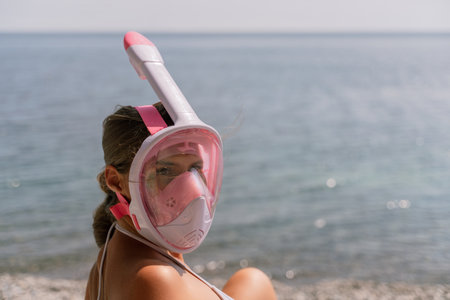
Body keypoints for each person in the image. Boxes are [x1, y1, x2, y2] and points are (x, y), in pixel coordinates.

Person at [84, 103, 278, 300]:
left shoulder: (107, 260)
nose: (191, 189)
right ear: (116, 181)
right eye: (165, 171)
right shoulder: (155, 279)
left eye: (196, 167)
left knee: (252, 278)